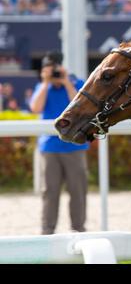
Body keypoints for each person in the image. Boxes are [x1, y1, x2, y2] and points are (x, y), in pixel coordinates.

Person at [30, 51, 89, 235]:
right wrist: (46, 83)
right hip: (49, 147)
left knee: (78, 191)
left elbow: (79, 106)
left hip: (75, 146)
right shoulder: (42, 87)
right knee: (49, 192)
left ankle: (78, 229)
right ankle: (47, 231)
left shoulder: (76, 83)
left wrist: (65, 82)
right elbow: (35, 108)